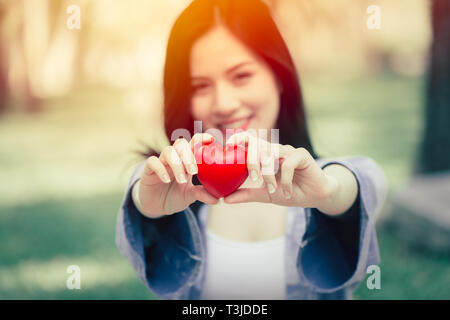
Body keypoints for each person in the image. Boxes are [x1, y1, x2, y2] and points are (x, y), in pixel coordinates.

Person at [116, 0, 387, 300]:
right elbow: (140, 189)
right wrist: (145, 203)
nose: (224, 104)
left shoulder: (322, 184)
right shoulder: (175, 191)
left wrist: (328, 191)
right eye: (200, 86)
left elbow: (366, 180)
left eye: (241, 76)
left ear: (278, 77)